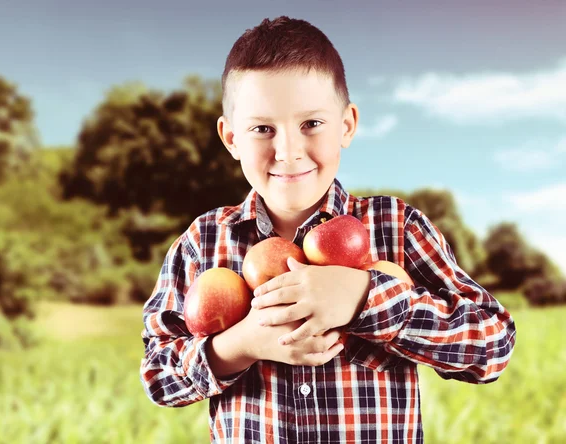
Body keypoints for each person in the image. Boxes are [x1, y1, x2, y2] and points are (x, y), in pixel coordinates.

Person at [140, 16, 516, 443]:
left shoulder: (396, 228)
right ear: (231, 139)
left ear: (347, 125)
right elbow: (157, 375)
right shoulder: (203, 243)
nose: (288, 151)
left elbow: (493, 346)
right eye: (262, 128)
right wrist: (238, 345)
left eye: (311, 124)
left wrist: (366, 299)